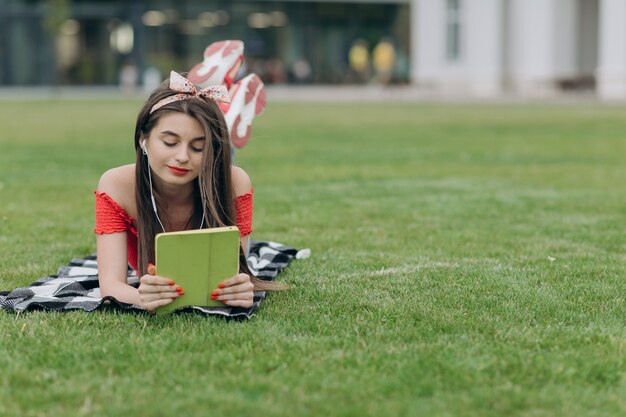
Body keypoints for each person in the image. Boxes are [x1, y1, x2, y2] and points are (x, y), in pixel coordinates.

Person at [95, 47, 277, 314]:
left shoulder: (235, 183)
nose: (182, 157)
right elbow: (110, 285)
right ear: (143, 140)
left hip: (217, 173)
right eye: (169, 142)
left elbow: (236, 273)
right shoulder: (117, 185)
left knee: (226, 161)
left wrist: (240, 286)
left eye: (198, 147)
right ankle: (228, 102)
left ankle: (228, 108)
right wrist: (142, 297)